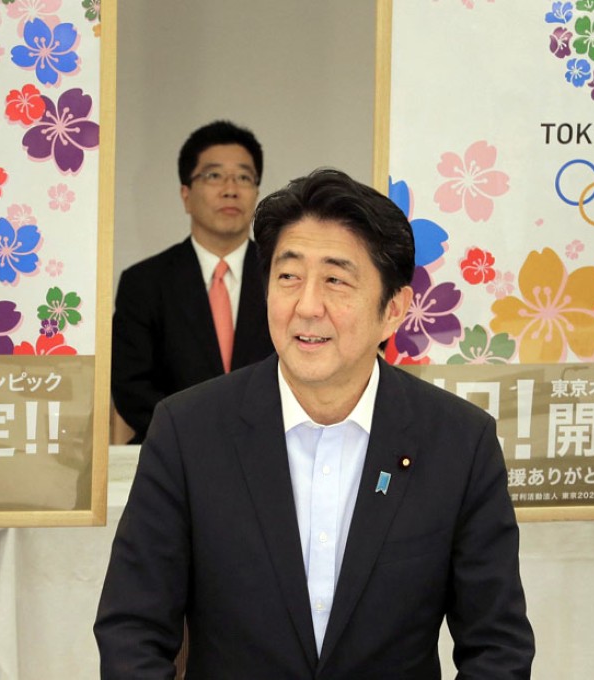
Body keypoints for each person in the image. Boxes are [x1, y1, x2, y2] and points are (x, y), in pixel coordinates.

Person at [95, 169, 535, 678]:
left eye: (335, 280)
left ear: (393, 310)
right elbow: (132, 630)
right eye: (288, 277)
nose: (306, 306)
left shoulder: (460, 443)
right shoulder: (189, 431)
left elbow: (497, 647)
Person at [111, 121, 275, 443]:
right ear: (186, 195)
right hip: (173, 450)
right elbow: (131, 387)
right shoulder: (143, 282)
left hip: (271, 446)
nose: (231, 188)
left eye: (244, 177)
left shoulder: (285, 277)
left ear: (256, 193)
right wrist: (197, 437)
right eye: (214, 175)